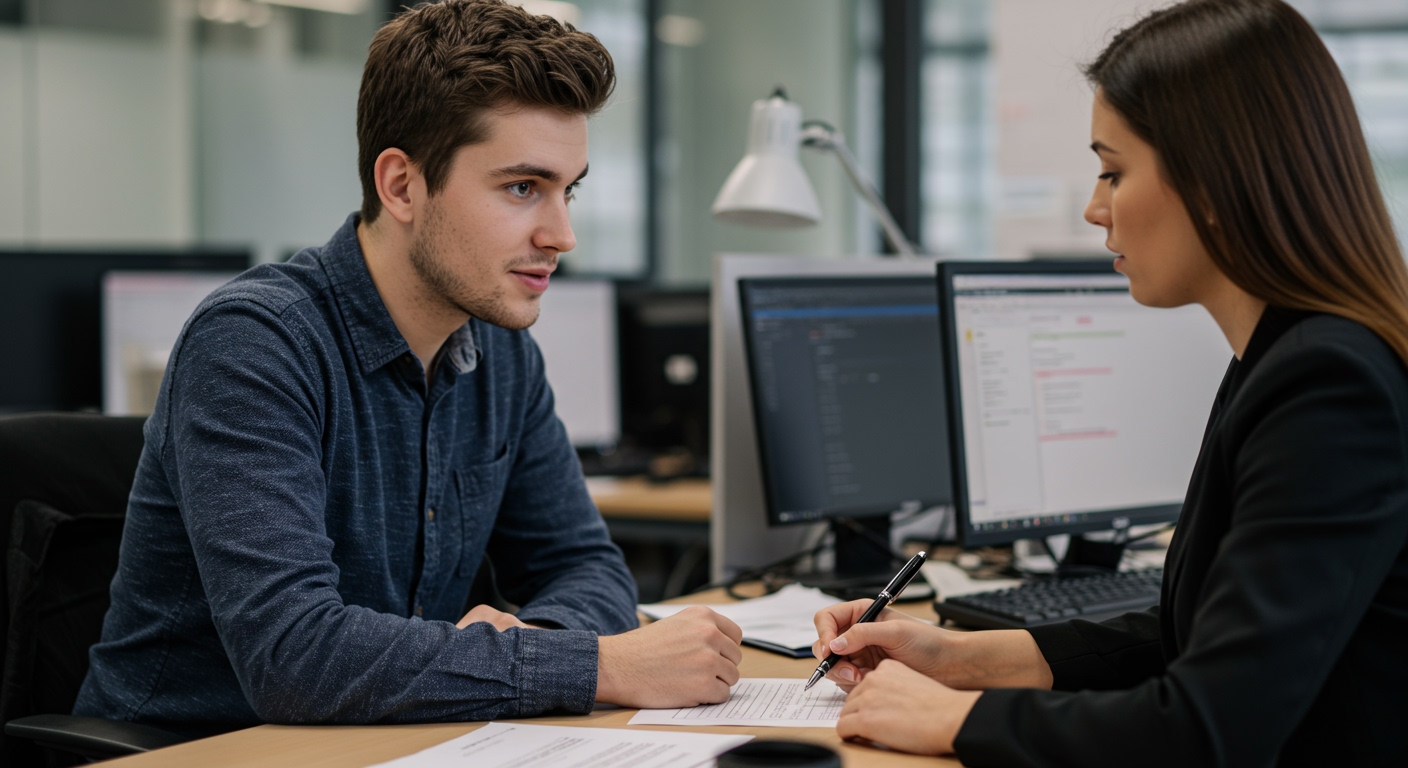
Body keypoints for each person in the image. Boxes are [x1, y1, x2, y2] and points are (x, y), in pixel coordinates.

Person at [75, 0, 742, 736]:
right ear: (401, 185)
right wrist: (601, 666)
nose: (563, 234)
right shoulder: (256, 344)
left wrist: (535, 645)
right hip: (192, 751)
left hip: (396, 738)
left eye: (568, 189)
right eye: (523, 188)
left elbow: (587, 567)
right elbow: (296, 658)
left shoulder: (500, 352)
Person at [812, 1, 1408, 765]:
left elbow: (1207, 729)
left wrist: (954, 722)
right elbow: (1197, 639)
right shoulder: (1282, 355)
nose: (1096, 209)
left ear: (1219, 184)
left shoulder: (1329, 385)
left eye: (1114, 170)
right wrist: (961, 660)